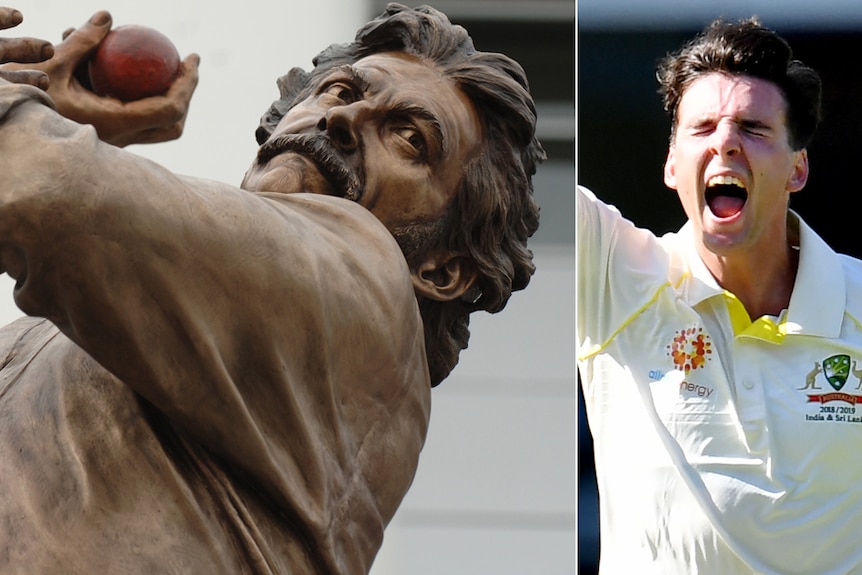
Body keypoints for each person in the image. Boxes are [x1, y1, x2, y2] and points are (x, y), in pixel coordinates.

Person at [0, 4, 543, 574]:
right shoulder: (52, 329)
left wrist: (35, 124)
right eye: (337, 90)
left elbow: (47, 187)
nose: (343, 118)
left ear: (440, 269)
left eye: (409, 139)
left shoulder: (364, 293)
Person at [577, 17, 862, 575]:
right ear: (671, 164)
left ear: (798, 168)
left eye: (753, 128)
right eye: (702, 127)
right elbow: (502, 149)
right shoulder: (616, 277)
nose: (726, 140)